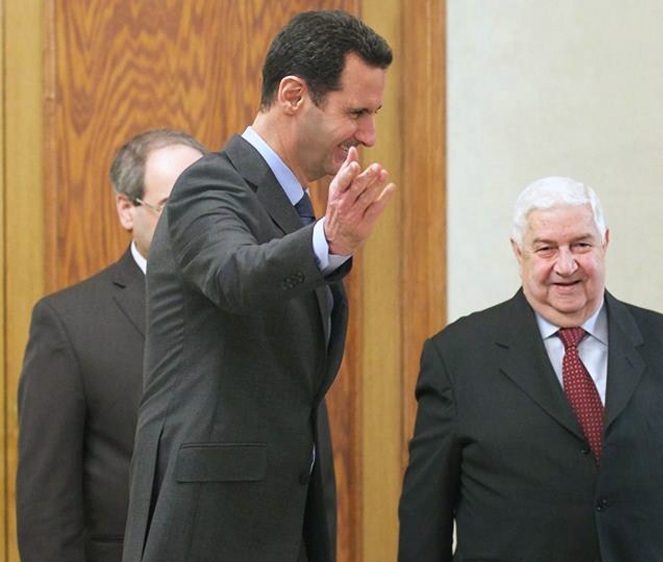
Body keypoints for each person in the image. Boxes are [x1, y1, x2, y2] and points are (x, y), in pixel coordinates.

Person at [122, 11, 394, 562]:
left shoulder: (295, 204)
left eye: (374, 115)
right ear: (293, 95)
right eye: (356, 113)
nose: (368, 136)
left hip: (281, 518)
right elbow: (236, 276)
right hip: (211, 523)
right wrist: (328, 240)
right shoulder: (207, 183)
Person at [397, 176, 663, 562]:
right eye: (546, 248)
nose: (566, 266)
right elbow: (424, 521)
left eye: (581, 245)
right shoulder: (456, 358)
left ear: (605, 243)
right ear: (519, 253)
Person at [16, 129, 206, 562]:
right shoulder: (69, 322)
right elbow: (46, 505)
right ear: (126, 209)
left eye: (205, 203)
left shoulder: (250, 304)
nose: (196, 221)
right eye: (173, 207)